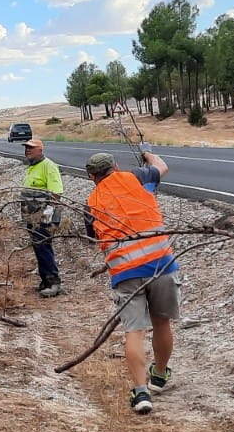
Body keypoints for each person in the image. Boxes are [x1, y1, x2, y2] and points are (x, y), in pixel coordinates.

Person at [84, 151, 178, 415]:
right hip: (161, 263)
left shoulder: (91, 201)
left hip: (125, 271)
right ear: (115, 166)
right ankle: (159, 375)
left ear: (92, 177)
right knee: (162, 322)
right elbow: (163, 167)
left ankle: (141, 392)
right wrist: (149, 155)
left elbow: (94, 236)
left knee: (134, 331)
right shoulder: (137, 176)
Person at [19, 138, 63, 298]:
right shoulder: (32, 167)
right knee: (39, 248)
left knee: (43, 247)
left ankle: (53, 283)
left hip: (44, 217)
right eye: (26, 148)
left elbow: (56, 193)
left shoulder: (48, 166)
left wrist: (46, 217)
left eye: (31, 148)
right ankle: (45, 280)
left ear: (40, 150)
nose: (27, 150)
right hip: (33, 218)